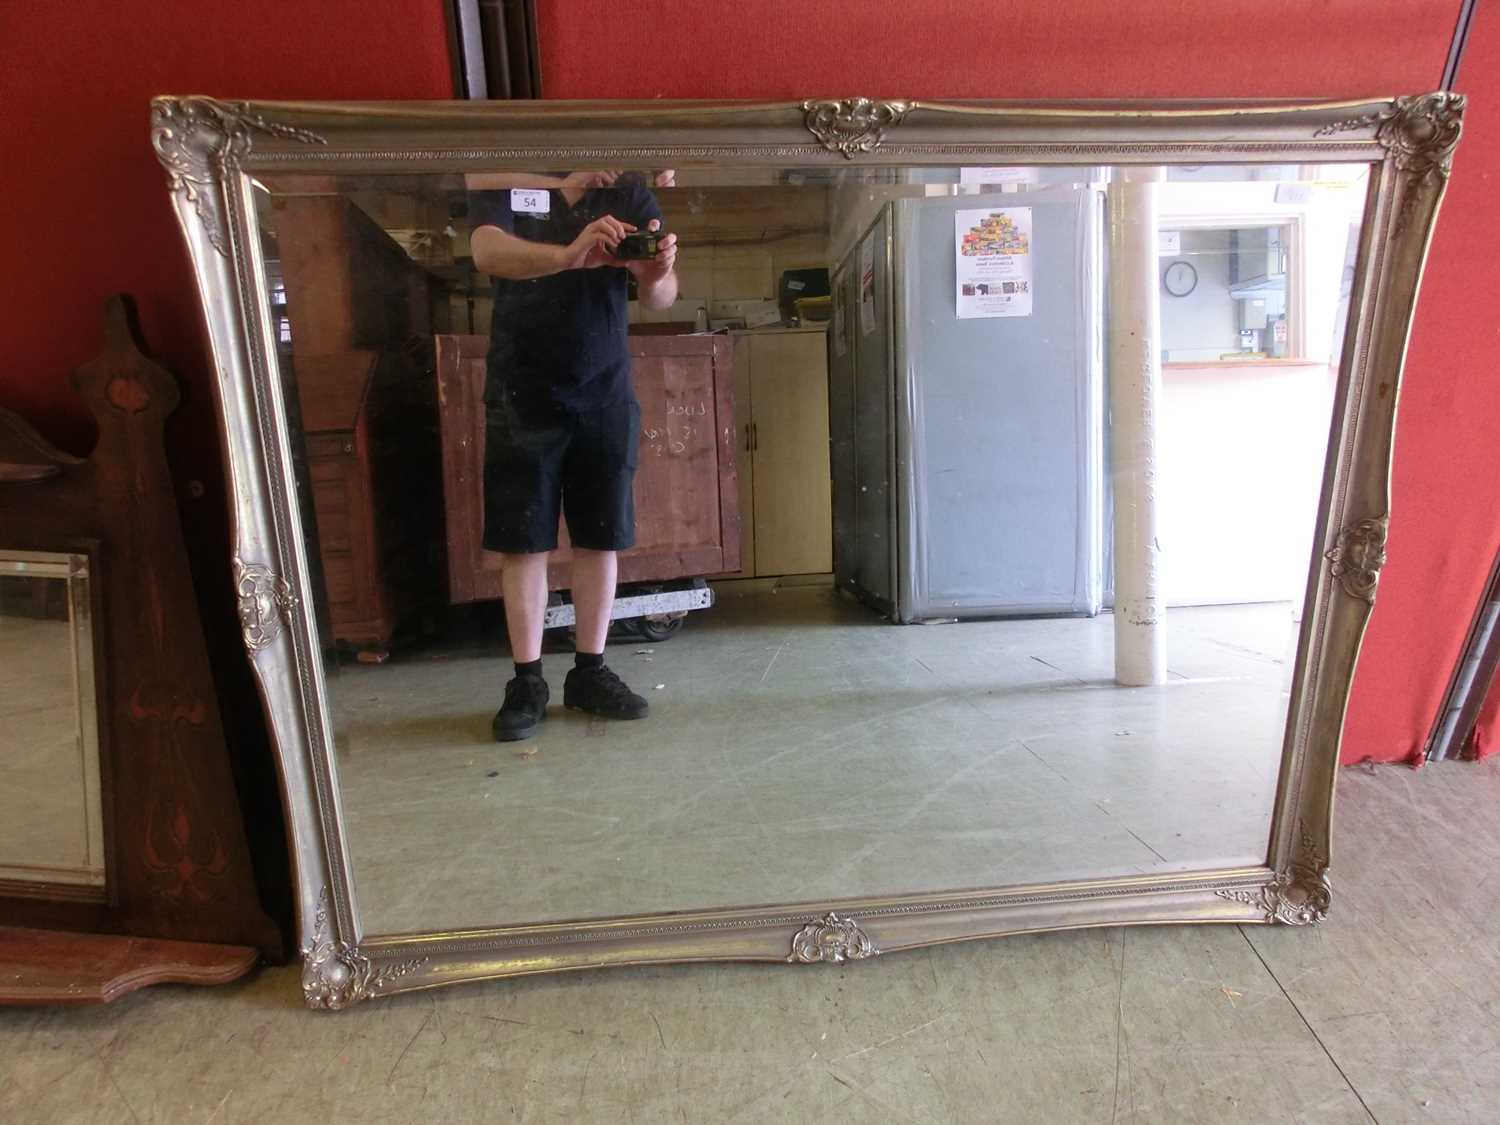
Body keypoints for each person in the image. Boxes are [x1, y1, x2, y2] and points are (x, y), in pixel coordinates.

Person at [467, 170, 679, 742]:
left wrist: (655, 269)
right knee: (523, 539)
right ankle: (527, 679)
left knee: (600, 535)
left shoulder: (629, 193)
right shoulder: (508, 180)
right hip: (520, 391)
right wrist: (570, 251)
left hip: (604, 390)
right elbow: (486, 250)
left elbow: (662, 296)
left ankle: (589, 671)